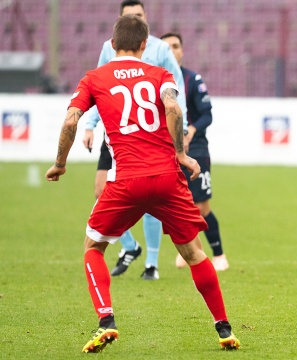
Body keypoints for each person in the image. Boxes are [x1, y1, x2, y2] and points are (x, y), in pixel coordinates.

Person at [45, 15, 240, 352]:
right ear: (145, 45)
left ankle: (106, 320)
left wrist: (60, 163)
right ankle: (224, 328)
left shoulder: (94, 77)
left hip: (126, 180)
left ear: (112, 44)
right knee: (194, 253)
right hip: (167, 178)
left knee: (93, 247)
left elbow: (70, 121)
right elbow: (172, 107)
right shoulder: (160, 74)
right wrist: (181, 153)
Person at [82, 0, 189, 280]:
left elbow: (177, 95)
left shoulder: (160, 49)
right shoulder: (109, 48)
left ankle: (152, 264)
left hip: (154, 135)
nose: (133, 18)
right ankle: (130, 247)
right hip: (116, 135)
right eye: (128, 15)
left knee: (152, 198)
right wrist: (92, 125)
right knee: (100, 190)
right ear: (119, 21)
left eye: (138, 15)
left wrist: (183, 130)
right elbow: (98, 90)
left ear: (145, 19)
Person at [160, 32, 229, 271]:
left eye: (176, 46)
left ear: (182, 50)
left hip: (196, 149)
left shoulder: (191, 79)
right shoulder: (155, 80)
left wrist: (189, 130)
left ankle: (219, 254)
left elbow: (207, 114)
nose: (172, 50)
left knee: (200, 206)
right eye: (166, 47)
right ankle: (192, 251)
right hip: (165, 151)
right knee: (176, 205)